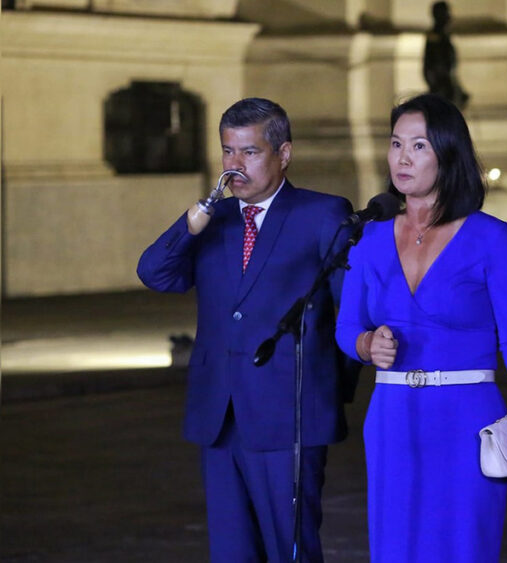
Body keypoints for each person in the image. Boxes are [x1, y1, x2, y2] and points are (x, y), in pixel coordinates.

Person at [335, 93, 507, 562]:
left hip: (466, 418)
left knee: (462, 546)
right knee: (397, 546)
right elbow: (347, 326)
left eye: (419, 146)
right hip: (392, 415)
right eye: (396, 144)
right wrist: (366, 343)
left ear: (447, 153)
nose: (402, 158)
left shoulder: (491, 238)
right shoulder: (368, 237)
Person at [137, 97, 358, 562]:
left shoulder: (322, 215)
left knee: (289, 550)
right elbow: (156, 273)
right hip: (219, 415)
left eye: (250, 152)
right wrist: (192, 219)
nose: (235, 166)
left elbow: (351, 309)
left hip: (289, 416)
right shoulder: (212, 222)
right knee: (231, 552)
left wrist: (325, 388)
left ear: (284, 153)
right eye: (228, 152)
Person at [424, 1, 470, 109]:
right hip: (442, 88)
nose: (449, 18)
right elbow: (430, 65)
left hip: (448, 87)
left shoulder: (444, 36)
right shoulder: (434, 38)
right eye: (446, 14)